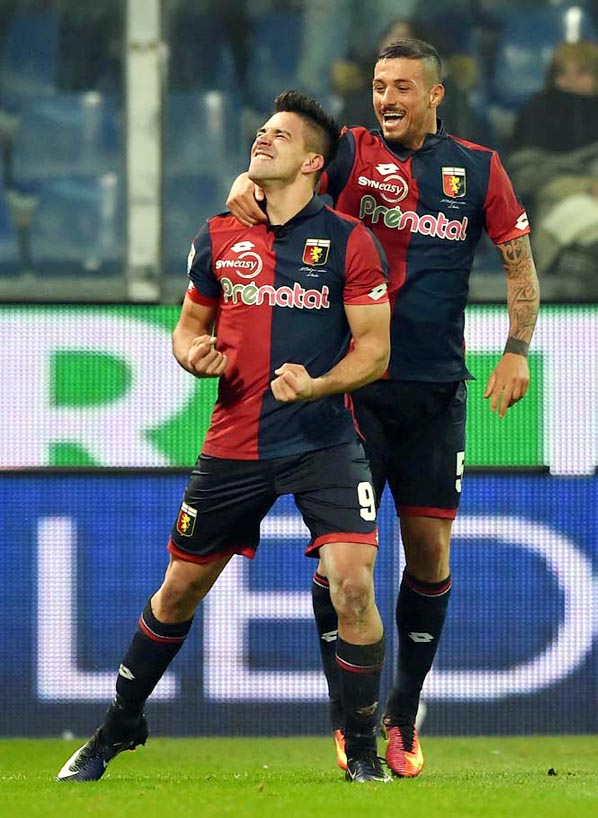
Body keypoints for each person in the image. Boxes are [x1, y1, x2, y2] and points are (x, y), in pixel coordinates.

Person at [55, 90, 392, 785]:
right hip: (234, 441)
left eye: (280, 134)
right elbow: (188, 327)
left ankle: (361, 749)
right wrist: (190, 353)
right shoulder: (217, 236)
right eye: (260, 130)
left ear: (312, 161)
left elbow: (375, 352)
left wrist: (321, 384)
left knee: (352, 585)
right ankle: (119, 725)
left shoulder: (350, 241)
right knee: (178, 590)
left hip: (325, 441)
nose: (262, 139)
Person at [226, 39, 540, 778]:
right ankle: (349, 718)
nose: (386, 97)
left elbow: (517, 260)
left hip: (436, 395)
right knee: (346, 564)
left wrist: (518, 346)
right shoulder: (349, 153)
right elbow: (286, 162)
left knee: (430, 556)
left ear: (436, 95)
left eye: (402, 86)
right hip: (353, 393)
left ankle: (402, 712)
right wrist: (247, 179)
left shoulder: (480, 168)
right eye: (377, 84)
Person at [506, 40, 598, 290]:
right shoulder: (536, 111)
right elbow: (524, 173)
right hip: (555, 198)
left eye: (581, 72)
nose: (569, 81)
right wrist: (583, 185)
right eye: (562, 73)